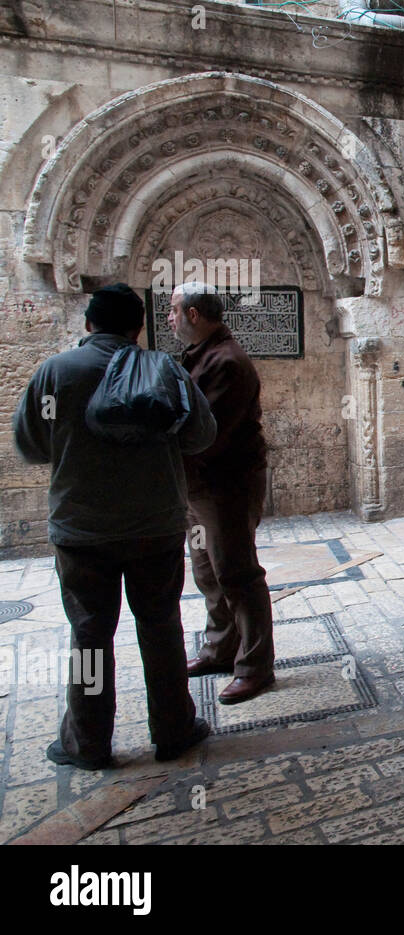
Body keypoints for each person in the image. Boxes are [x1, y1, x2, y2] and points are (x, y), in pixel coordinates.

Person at [12, 283, 216, 769]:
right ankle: (173, 730)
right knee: (161, 627)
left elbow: (30, 445)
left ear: (88, 324)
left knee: (89, 637)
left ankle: (88, 743)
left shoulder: (54, 374)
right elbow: (201, 434)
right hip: (155, 525)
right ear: (137, 327)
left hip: (82, 530)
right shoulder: (162, 369)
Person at [168, 281, 276, 704]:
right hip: (199, 489)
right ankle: (219, 649)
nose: (170, 318)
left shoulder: (226, 363)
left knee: (236, 572)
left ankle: (255, 667)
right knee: (206, 570)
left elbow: (204, 435)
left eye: (175, 310)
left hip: (225, 488)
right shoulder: (202, 356)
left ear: (195, 315)